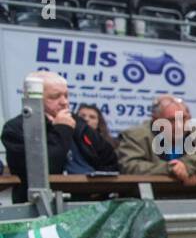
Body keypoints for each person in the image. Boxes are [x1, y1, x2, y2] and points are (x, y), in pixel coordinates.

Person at [1, 71, 118, 201]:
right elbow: (44, 169)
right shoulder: (15, 129)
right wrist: (62, 129)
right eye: (55, 96)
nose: (64, 102)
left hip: (90, 200)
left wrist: (100, 189)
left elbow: (110, 160)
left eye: (66, 96)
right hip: (42, 205)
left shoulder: (78, 123)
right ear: (33, 98)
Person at [116, 95, 196, 182]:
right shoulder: (135, 136)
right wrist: (172, 169)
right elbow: (130, 167)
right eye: (171, 120)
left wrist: (188, 165)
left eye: (183, 118)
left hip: (192, 198)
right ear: (155, 120)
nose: (179, 125)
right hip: (148, 199)